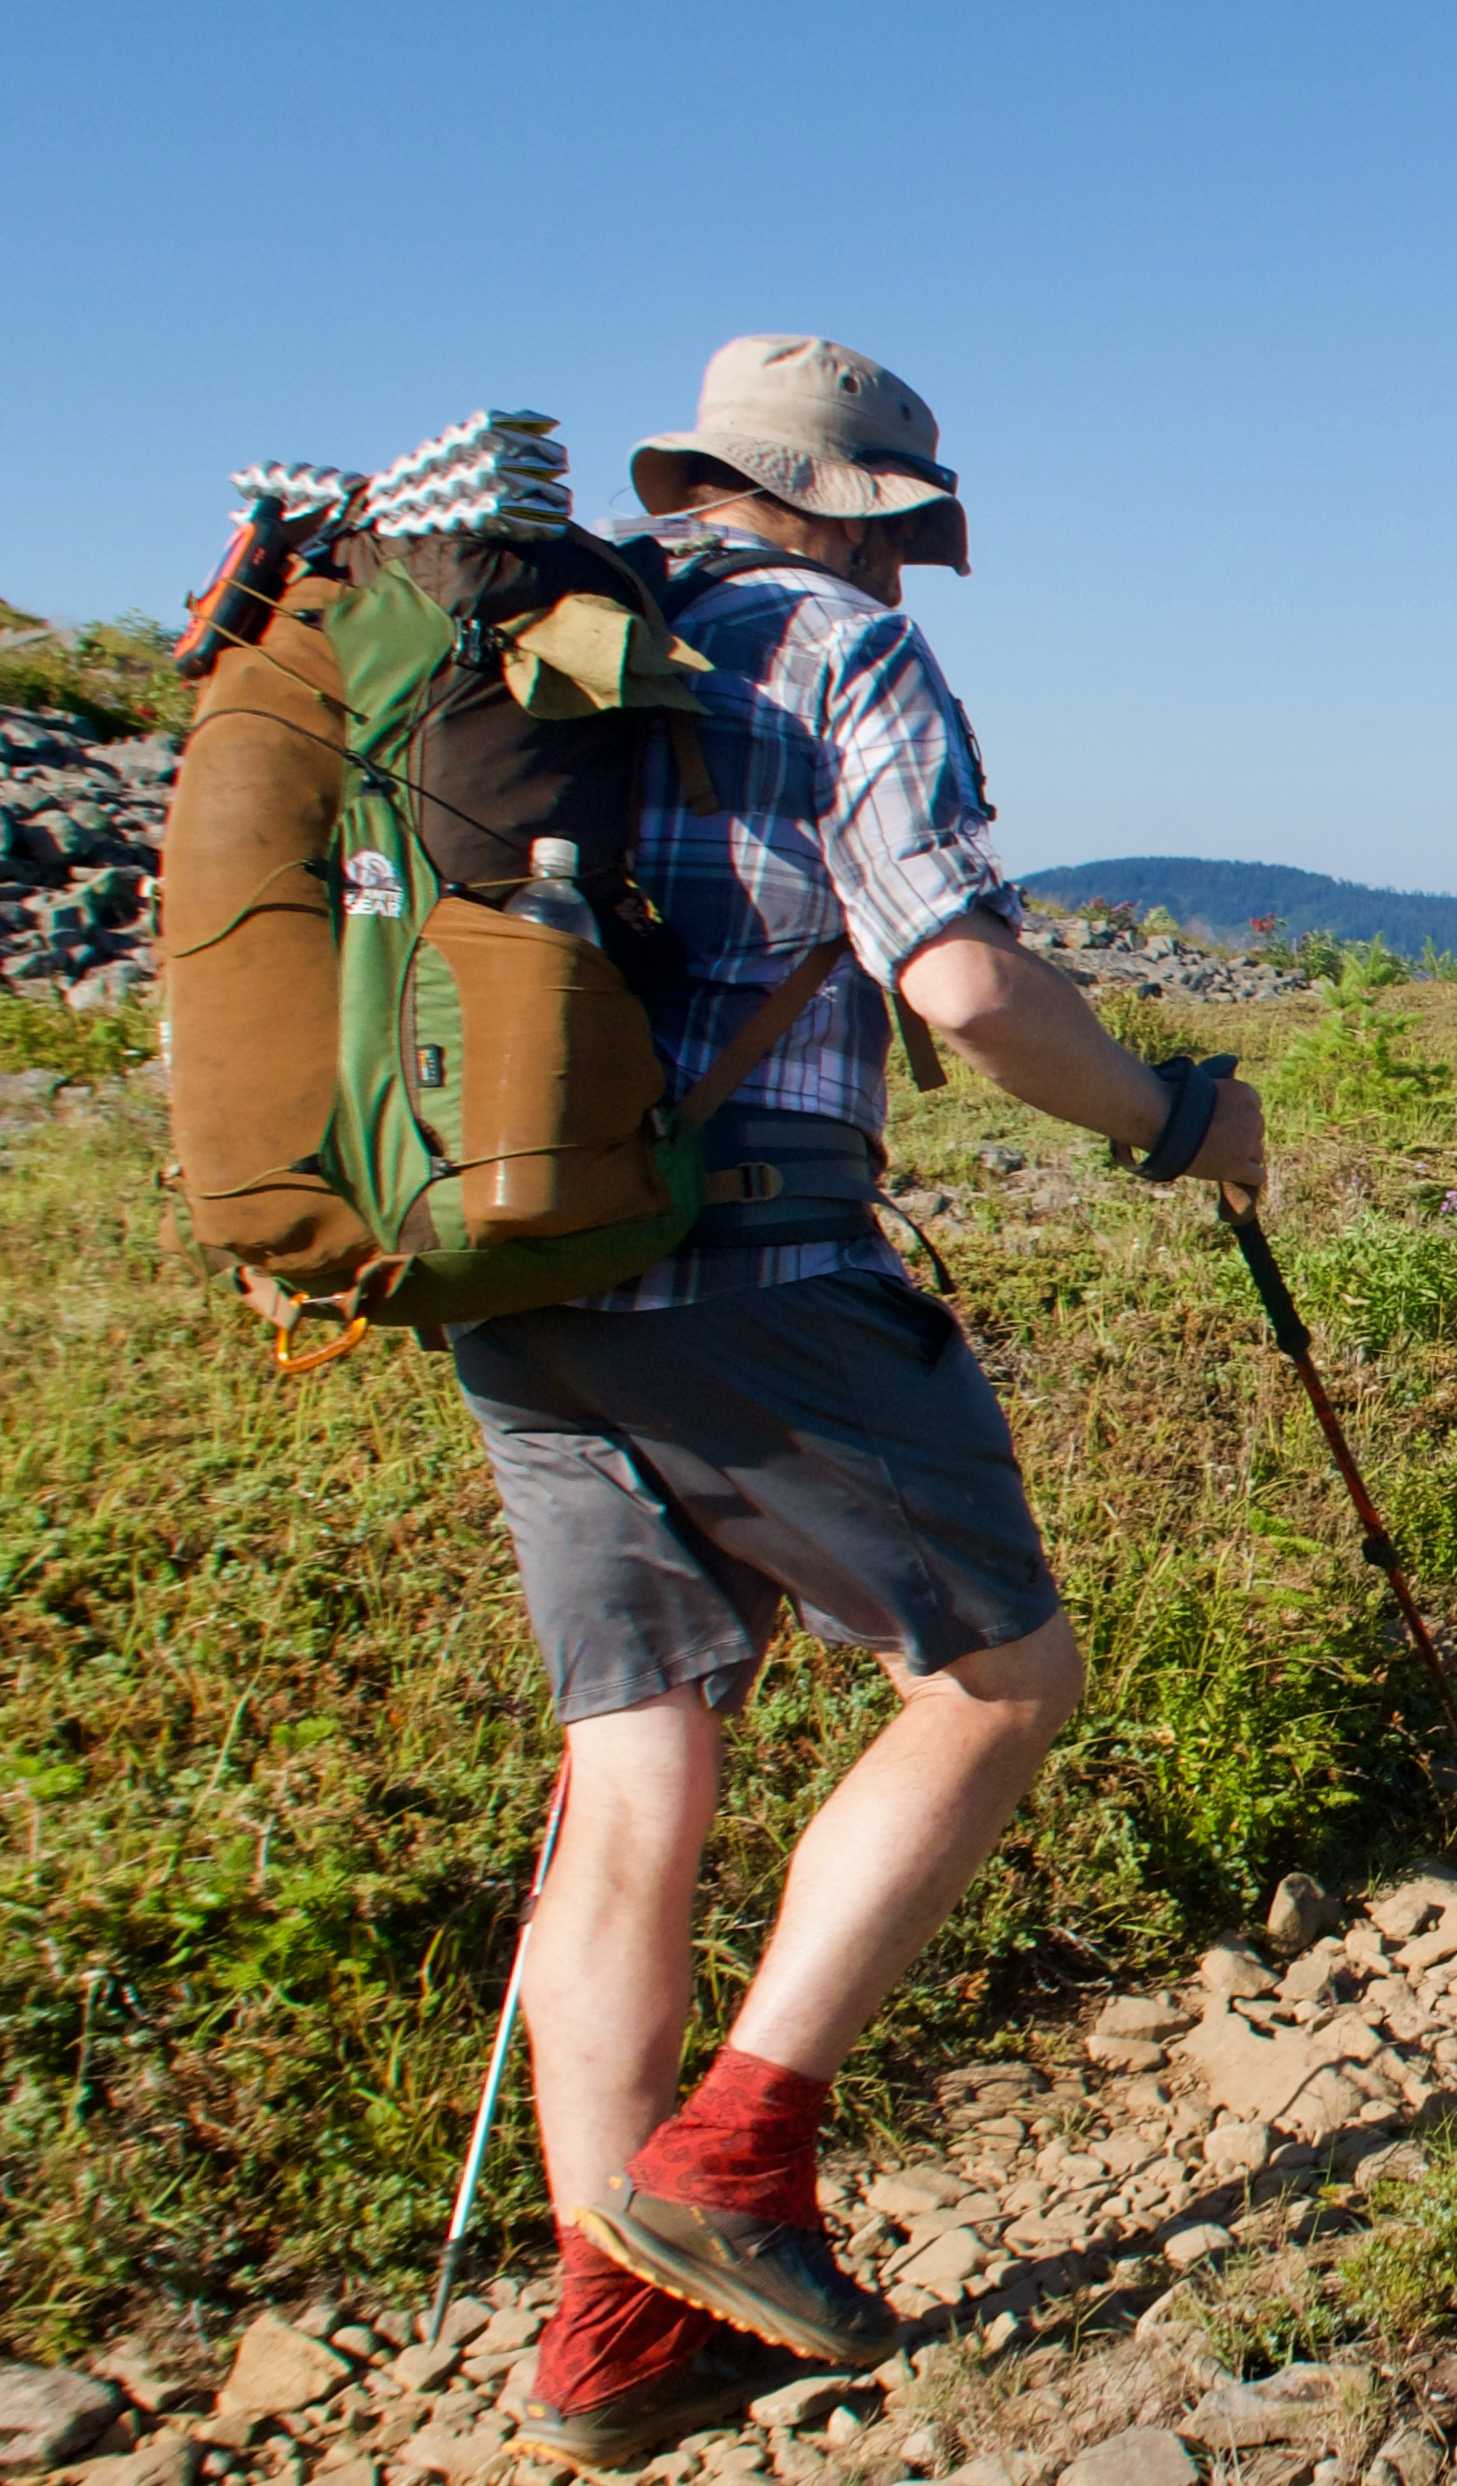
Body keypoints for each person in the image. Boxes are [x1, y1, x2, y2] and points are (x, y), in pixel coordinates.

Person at [479, 335, 1269, 2473]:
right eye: (905, 532)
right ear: (854, 510)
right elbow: (964, 985)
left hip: (512, 1259)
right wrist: (1169, 1116)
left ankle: (608, 2330)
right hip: (755, 1265)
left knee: (634, 1763)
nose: (911, 573)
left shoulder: (521, 647)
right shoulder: (833, 651)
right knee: (1000, 1675)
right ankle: (728, 2161)